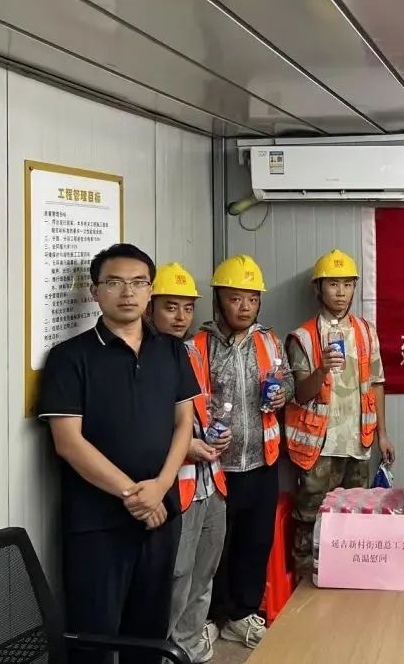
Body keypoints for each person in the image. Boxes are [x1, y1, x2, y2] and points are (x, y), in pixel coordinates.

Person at [38, 244, 195, 662]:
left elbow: (185, 424)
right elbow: (68, 442)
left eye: (138, 282)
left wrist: (160, 487)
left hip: (161, 517)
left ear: (150, 290)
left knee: (149, 636)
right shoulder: (70, 357)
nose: (128, 292)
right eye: (115, 283)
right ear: (95, 292)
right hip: (97, 524)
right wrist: (134, 495)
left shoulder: (172, 350)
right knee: (94, 639)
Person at [196, 255, 293, 650]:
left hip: (261, 462)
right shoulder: (198, 346)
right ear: (218, 300)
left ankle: (241, 615)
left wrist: (282, 393)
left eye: (252, 299)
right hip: (214, 467)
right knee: (213, 549)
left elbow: (286, 380)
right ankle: (207, 618)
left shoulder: (268, 341)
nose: (244, 307)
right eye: (235, 299)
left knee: (254, 544)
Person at [285, 249, 394, 580]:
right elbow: (299, 393)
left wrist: (382, 435)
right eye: (333, 284)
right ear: (318, 288)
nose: (341, 292)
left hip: (357, 444)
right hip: (319, 447)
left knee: (356, 518)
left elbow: (376, 383)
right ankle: (305, 586)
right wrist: (321, 370)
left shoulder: (366, 332)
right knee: (311, 518)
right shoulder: (303, 337)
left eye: (347, 284)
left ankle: (350, 580)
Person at [148, 263, 227, 664]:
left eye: (187, 307)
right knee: (176, 576)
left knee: (203, 573)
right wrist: (186, 448)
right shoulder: (142, 357)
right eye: (170, 307)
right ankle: (164, 652)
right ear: (150, 308)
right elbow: (138, 431)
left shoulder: (191, 352)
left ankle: (191, 647)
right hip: (175, 487)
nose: (181, 317)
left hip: (210, 481)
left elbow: (199, 410)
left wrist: (216, 435)